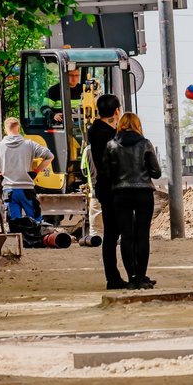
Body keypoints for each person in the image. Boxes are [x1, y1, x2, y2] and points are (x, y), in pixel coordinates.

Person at [103, 112, 162, 290]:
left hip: (121, 194)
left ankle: (131, 277)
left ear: (120, 125)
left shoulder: (111, 145)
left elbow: (106, 173)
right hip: (143, 193)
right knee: (142, 235)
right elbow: (157, 172)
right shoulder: (145, 144)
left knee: (126, 236)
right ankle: (142, 277)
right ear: (138, 125)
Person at [0, 117, 54, 227]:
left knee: (14, 224)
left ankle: (18, 242)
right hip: (27, 190)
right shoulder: (30, 145)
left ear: (5, 130)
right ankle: (36, 242)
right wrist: (36, 171)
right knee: (36, 222)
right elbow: (49, 156)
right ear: (19, 128)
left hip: (9, 191)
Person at [86, 95, 125, 289]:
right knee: (113, 234)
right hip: (114, 187)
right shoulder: (109, 134)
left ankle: (114, 276)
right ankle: (115, 277)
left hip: (104, 186)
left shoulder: (95, 130)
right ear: (117, 110)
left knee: (111, 233)